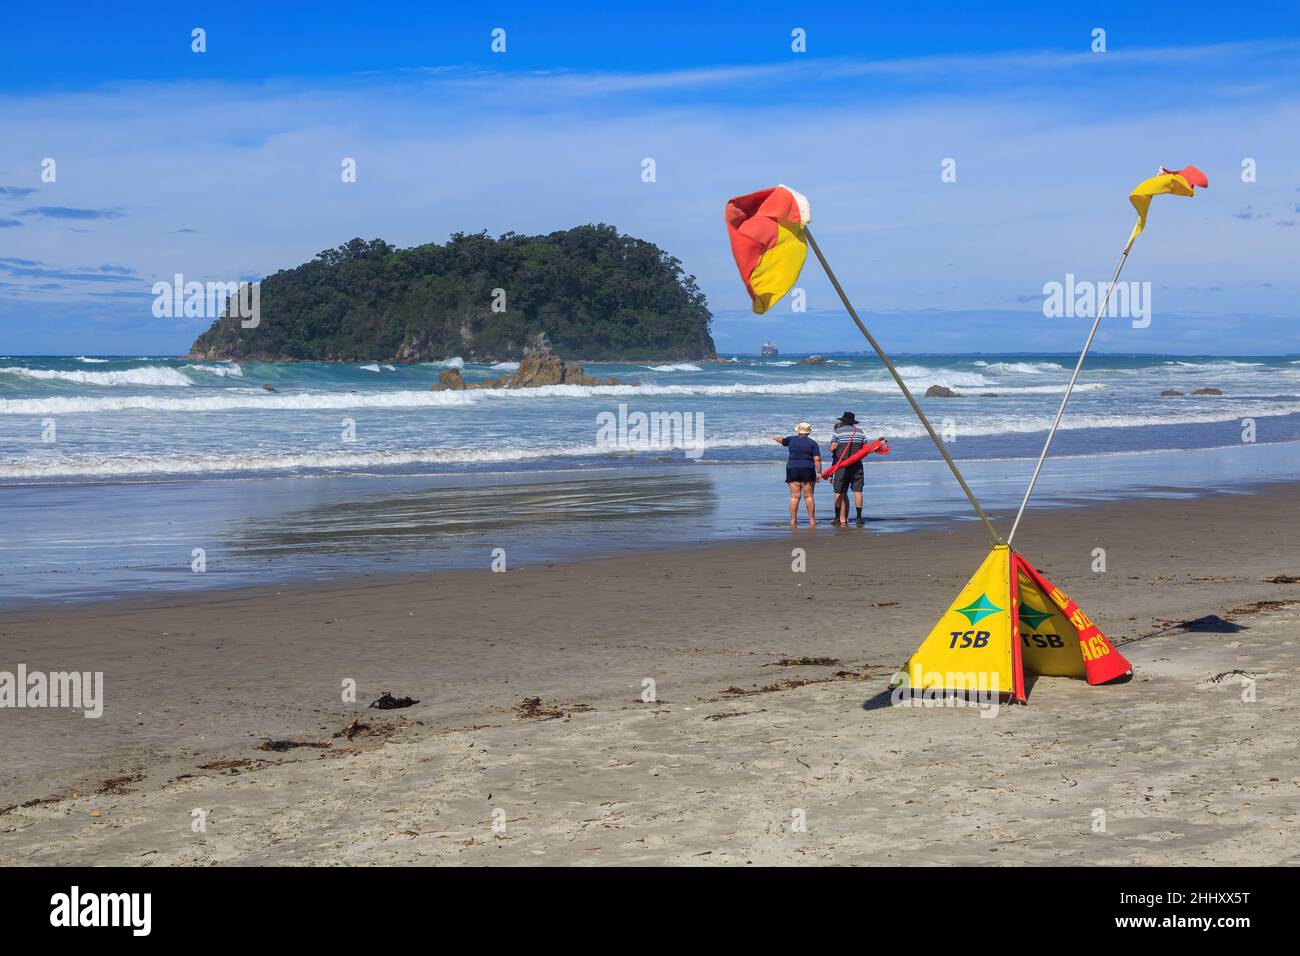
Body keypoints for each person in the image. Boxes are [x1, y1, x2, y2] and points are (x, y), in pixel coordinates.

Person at [770, 422, 822, 527]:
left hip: (792, 468)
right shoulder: (813, 443)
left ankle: (793, 521)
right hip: (808, 469)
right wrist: (819, 472)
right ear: (809, 432)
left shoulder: (791, 439)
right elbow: (817, 459)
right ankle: (812, 520)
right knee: (809, 496)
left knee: (794, 497)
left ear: (798, 430)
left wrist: (773, 437)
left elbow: (782, 440)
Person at [829, 410, 870, 526]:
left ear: (843, 421)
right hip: (857, 464)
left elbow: (832, 448)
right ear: (853, 422)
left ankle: (837, 518)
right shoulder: (860, 432)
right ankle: (859, 517)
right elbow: (865, 449)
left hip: (842, 464)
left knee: (838, 491)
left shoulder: (838, 432)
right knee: (858, 491)